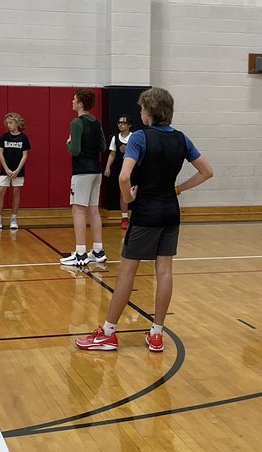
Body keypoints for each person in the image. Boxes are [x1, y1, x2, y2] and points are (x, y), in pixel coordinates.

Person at [76, 86, 213, 352]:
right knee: (164, 271)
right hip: (170, 212)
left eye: (141, 109)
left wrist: (127, 199)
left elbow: (124, 177)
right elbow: (207, 171)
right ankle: (157, 334)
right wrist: (178, 189)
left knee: (128, 271)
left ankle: (108, 333)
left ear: (149, 111)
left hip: (146, 213)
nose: (140, 113)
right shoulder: (181, 139)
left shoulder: (139, 138)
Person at [60, 89, 107, 270]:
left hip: (82, 171)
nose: (72, 101)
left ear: (80, 103)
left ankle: (80, 254)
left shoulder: (76, 122)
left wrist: (69, 142)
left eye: (74, 99)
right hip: (96, 170)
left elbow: (75, 150)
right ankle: (98, 250)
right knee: (93, 210)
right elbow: (102, 146)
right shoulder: (96, 122)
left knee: (78, 210)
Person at [0, 112, 31, 230]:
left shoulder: (24, 138)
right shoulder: (4, 137)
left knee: (16, 192)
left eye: (11, 122)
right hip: (5, 170)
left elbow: (25, 156)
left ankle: (14, 218)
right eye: (7, 123)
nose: (9, 125)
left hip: (18, 171)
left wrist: (17, 170)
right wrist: (6, 168)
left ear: (17, 123)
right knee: (0, 192)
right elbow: (0, 154)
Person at [104, 114, 134, 230]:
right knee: (123, 193)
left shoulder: (134, 137)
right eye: (119, 123)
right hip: (120, 169)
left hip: (133, 169)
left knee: (135, 192)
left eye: (123, 123)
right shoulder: (115, 138)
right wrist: (107, 167)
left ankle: (136, 217)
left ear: (129, 125)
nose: (120, 125)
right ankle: (124, 218)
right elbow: (112, 154)